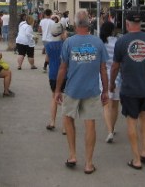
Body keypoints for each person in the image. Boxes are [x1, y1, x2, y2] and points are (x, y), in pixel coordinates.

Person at [110, 9, 145, 170]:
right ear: (140, 23)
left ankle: (136, 159)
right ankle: (144, 151)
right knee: (144, 118)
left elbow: (115, 66)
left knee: (131, 121)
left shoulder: (121, 42)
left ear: (127, 24)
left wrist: (111, 83)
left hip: (129, 89)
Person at [54, 9, 109, 174]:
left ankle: (72, 155)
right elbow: (103, 69)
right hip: (92, 91)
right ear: (89, 24)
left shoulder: (69, 43)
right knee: (90, 123)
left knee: (68, 119)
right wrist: (105, 90)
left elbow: (63, 68)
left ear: (75, 24)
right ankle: (89, 163)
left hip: (72, 89)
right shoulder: (98, 43)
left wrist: (57, 90)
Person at [100, 20, 121, 143]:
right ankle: (112, 128)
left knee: (106, 104)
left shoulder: (100, 43)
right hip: (118, 75)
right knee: (115, 104)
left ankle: (109, 131)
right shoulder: (118, 42)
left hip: (103, 76)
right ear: (113, 30)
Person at [45, 22, 66, 132]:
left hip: (53, 74)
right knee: (66, 99)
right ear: (62, 33)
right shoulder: (66, 44)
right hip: (66, 74)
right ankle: (65, 127)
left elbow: (47, 60)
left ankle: (52, 122)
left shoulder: (48, 45)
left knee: (54, 97)